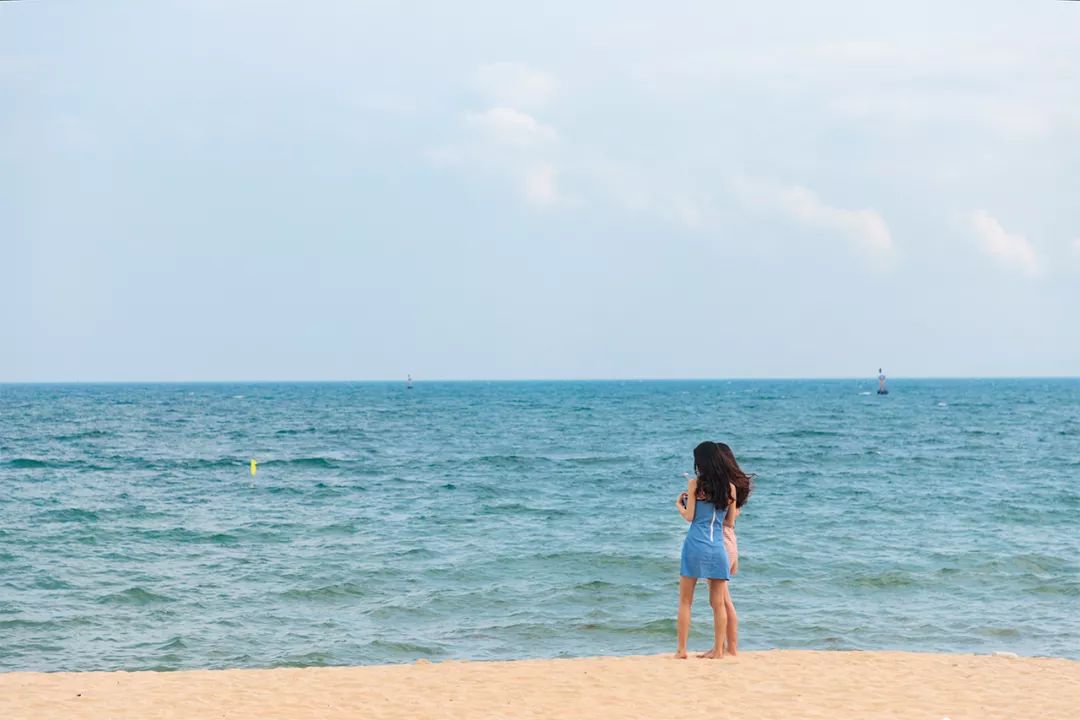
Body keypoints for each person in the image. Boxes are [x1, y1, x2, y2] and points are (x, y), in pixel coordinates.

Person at [674, 441, 736, 659]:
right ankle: (719, 650)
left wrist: (679, 506)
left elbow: (690, 517)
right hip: (717, 547)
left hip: (694, 545)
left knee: (685, 601)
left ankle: (682, 650)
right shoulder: (730, 488)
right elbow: (729, 523)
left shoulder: (694, 485)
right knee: (718, 603)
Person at [716, 442, 754, 656]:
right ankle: (730, 647)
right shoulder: (735, 489)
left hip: (720, 542)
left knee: (722, 600)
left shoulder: (723, 489)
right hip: (731, 542)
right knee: (725, 599)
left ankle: (726, 648)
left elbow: (722, 521)